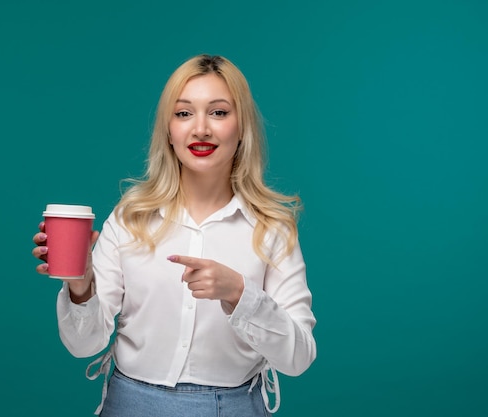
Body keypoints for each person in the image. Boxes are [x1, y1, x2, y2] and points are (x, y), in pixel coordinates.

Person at [32, 54, 316, 416]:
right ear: (168, 130)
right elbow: (83, 345)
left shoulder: (272, 227)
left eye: (218, 112)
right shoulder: (130, 217)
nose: (201, 129)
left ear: (241, 126)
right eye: (184, 113)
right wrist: (80, 282)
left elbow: (299, 357)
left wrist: (240, 294)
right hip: (130, 404)